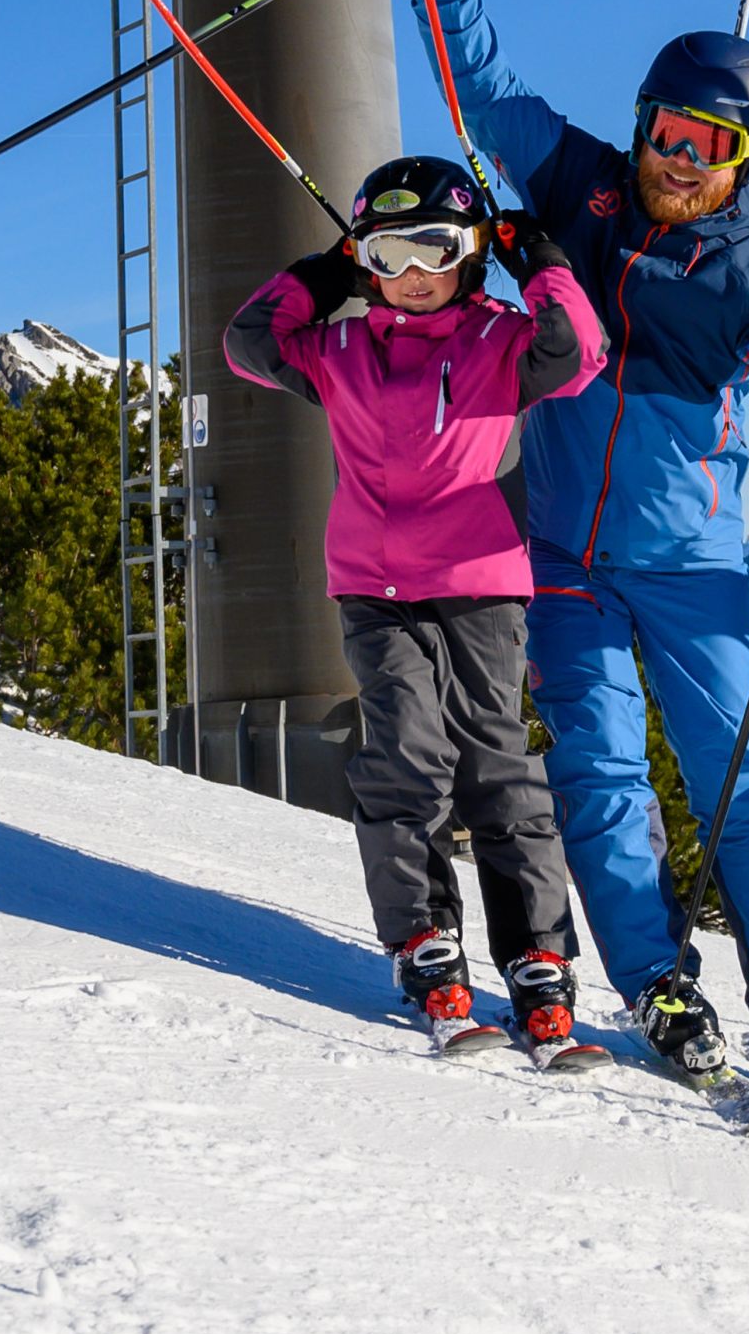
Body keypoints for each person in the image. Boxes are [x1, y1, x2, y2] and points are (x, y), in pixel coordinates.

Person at [401, 0, 749, 1096]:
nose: (680, 159)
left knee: (742, 784)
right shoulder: (582, 187)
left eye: (710, 145)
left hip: (691, 568)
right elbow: (485, 93)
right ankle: (659, 981)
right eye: (668, 132)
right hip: (564, 554)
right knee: (601, 776)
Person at [221, 156, 609, 1062]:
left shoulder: (502, 340)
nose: (412, 273)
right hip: (375, 588)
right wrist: (320, 275)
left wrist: (538, 256)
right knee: (407, 759)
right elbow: (249, 342)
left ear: (470, 252)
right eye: (387, 253)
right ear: (364, 261)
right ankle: (423, 943)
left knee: (497, 767)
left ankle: (538, 959)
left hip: (480, 584)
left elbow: (580, 349)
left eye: (433, 248)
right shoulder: (340, 349)